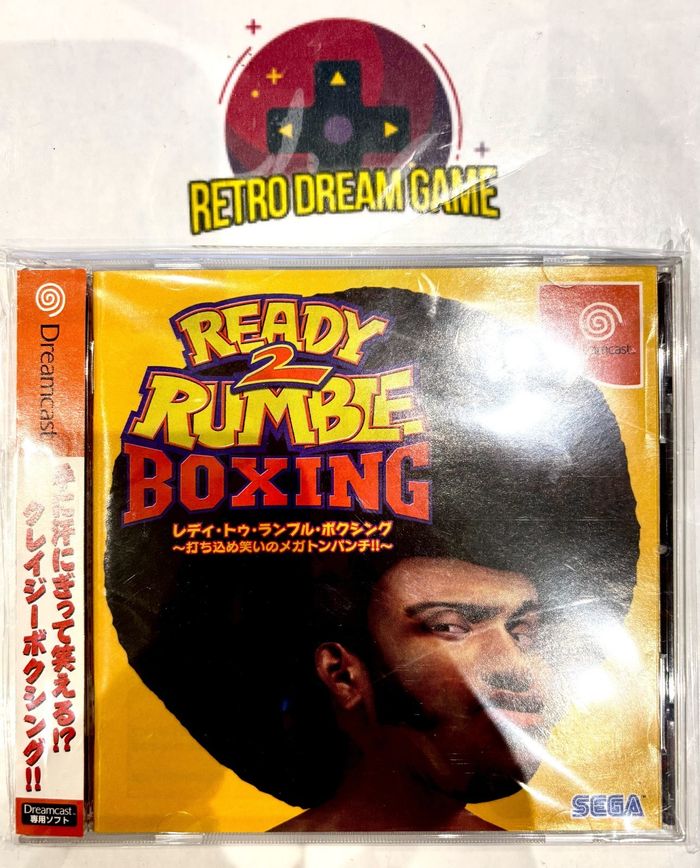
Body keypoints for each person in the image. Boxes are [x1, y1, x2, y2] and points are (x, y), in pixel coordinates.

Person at [104, 285, 640, 831]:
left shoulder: (580, 853)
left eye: (523, 631)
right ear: (342, 674)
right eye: (450, 627)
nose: (516, 667)